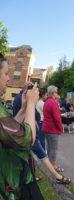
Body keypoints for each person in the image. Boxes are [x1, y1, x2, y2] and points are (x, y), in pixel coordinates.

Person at [0, 55, 44, 199]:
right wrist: (31, 104)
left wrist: (24, 107)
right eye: (6, 74)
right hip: (14, 185)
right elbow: (27, 139)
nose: (8, 79)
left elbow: (11, 130)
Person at [42, 85, 64, 172]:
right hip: (52, 129)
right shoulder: (53, 103)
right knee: (53, 148)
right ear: (53, 93)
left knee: (50, 147)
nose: (57, 93)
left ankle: (50, 164)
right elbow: (57, 118)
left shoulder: (47, 102)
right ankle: (53, 166)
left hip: (46, 128)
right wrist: (60, 129)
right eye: (56, 92)